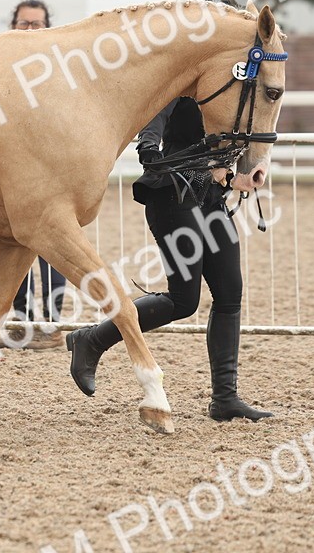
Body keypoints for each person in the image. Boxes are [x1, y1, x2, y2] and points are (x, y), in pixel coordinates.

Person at [64, 96, 274, 421]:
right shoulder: (181, 78)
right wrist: (148, 146)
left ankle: (225, 399)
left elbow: (219, 148)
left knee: (230, 295)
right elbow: (155, 113)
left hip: (209, 195)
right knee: (183, 301)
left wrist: (234, 177)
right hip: (173, 193)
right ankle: (91, 339)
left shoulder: (224, 89)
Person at [5, 0, 68, 350]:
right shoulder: (0, 64)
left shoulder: (60, 67)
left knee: (53, 247)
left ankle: (54, 320)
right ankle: (24, 319)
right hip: (13, 171)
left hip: (50, 171)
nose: (31, 30)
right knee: (15, 244)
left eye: (38, 24)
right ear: (13, 25)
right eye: (24, 24)